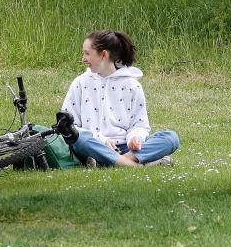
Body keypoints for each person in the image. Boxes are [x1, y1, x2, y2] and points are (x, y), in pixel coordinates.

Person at [53, 30, 179, 167]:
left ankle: (115, 161)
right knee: (80, 140)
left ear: (104, 55)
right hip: (92, 145)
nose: (83, 58)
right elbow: (68, 127)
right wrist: (102, 140)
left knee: (171, 138)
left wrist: (135, 138)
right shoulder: (80, 83)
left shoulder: (132, 85)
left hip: (124, 148)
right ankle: (135, 165)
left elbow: (139, 124)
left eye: (87, 53)